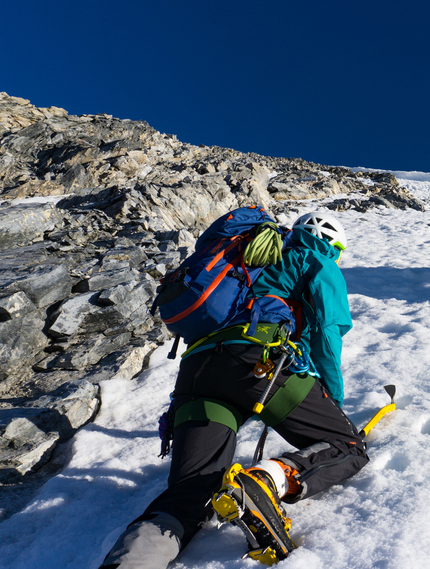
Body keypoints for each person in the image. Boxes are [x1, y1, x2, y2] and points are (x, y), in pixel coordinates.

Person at [99, 211, 367, 569]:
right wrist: (332, 401)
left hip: (197, 374)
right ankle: (266, 481)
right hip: (258, 363)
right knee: (348, 445)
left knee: (188, 494)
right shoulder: (315, 259)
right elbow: (325, 333)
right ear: (333, 245)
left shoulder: (244, 254)